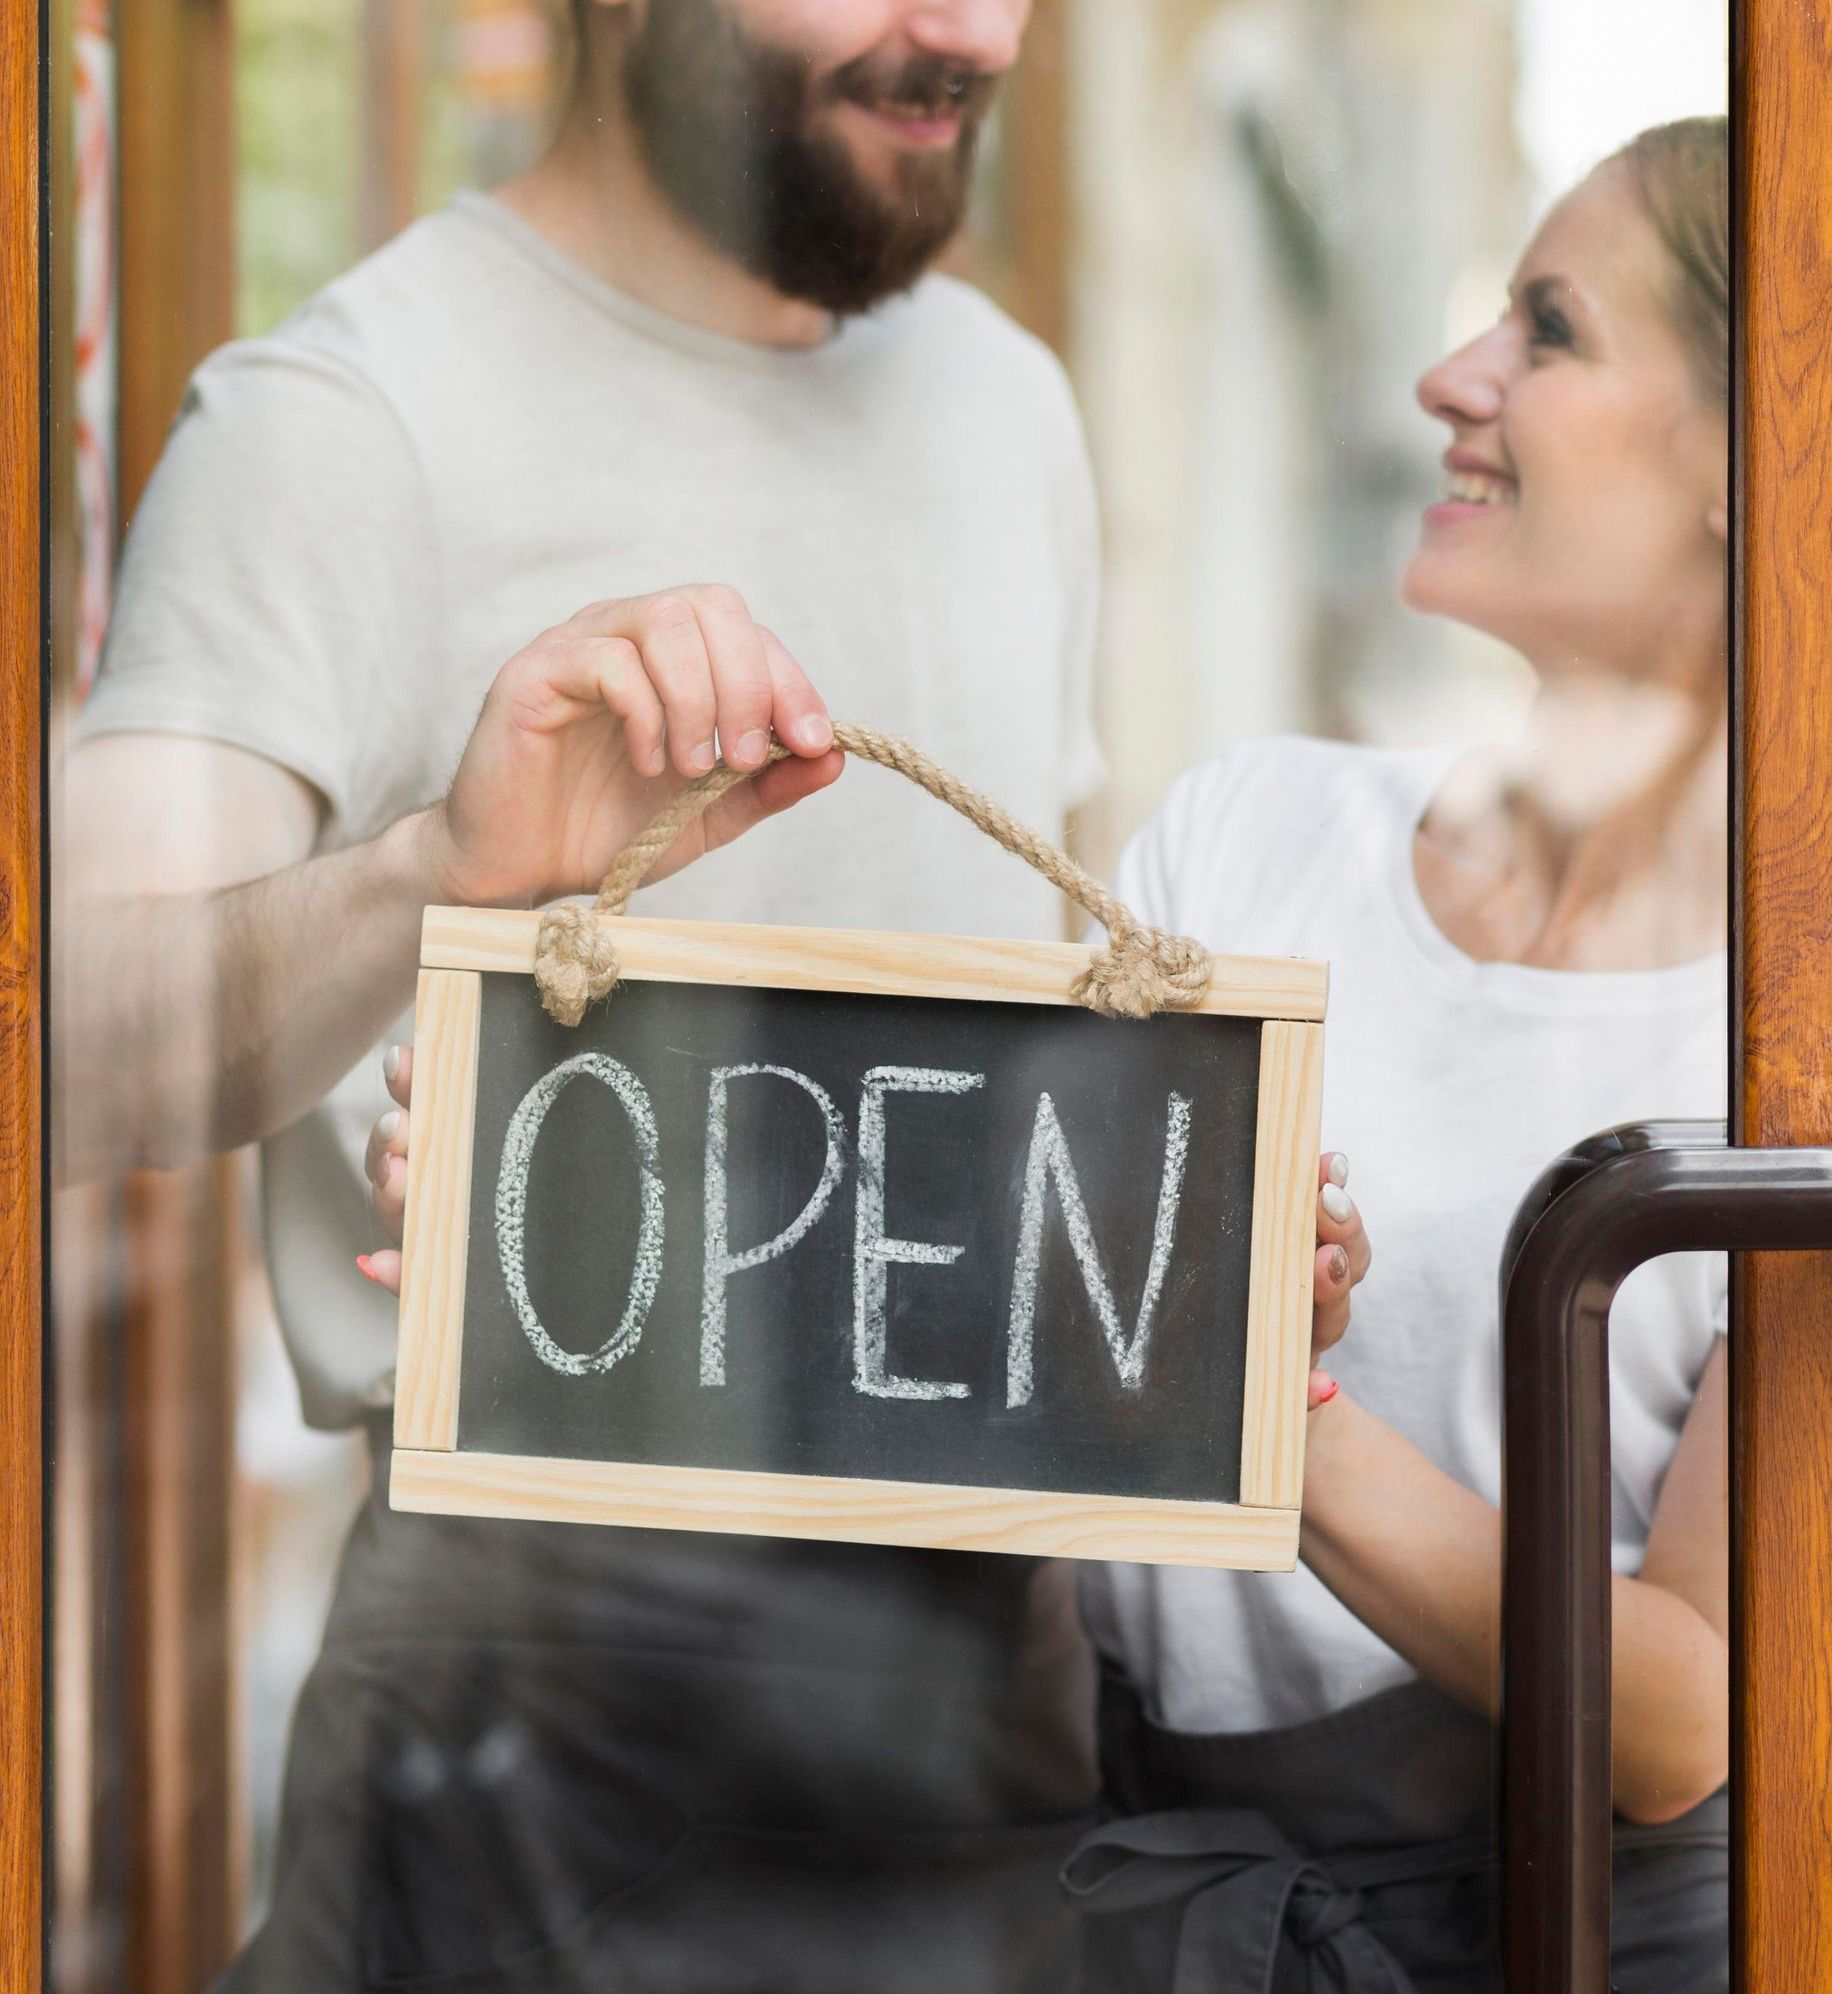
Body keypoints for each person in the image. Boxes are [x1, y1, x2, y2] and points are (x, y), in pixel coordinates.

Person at [60, 3, 1120, 1986]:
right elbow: (76, 1061)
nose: (971, 31)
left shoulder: (1008, 402)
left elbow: (1031, 1025)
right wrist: (432, 874)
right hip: (543, 1704)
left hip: (1001, 1683)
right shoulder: (338, 417)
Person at [1066, 118, 1733, 1992]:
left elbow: (1681, 1708)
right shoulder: (1241, 846)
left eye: (1549, 329)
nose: (1453, 378)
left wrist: (1262, 1406)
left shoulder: (1799, 1039)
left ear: (1760, 460)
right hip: (1150, 1893)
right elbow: (988, 1313)